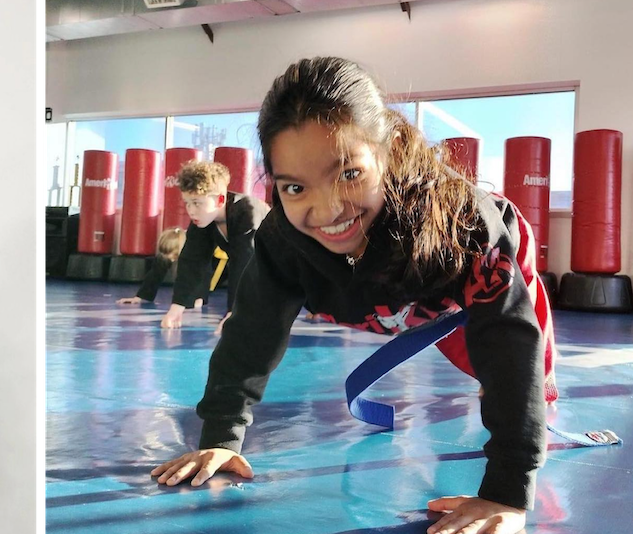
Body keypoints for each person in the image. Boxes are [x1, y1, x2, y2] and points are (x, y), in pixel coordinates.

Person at [150, 57, 558, 534]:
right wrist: (222, 436)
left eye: (348, 174)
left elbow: (511, 347)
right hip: (401, 301)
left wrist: (508, 492)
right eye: (296, 187)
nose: (327, 211)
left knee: (512, 374)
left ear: (391, 150)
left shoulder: (466, 230)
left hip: (455, 277)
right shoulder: (283, 242)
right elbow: (250, 334)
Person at [158, 161, 270, 333]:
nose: (191, 210)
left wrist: (235, 312)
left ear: (220, 200)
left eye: (196, 203)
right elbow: (191, 261)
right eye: (187, 203)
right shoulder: (203, 220)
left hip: (287, 257)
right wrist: (177, 307)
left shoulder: (247, 211)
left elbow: (244, 263)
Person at [116, 228, 205, 306]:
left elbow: (203, 273)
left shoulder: (195, 250)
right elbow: (155, 274)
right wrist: (139, 297)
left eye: (174, 256)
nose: (172, 260)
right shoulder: (173, 248)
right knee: (161, 262)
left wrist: (200, 297)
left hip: (214, 256)